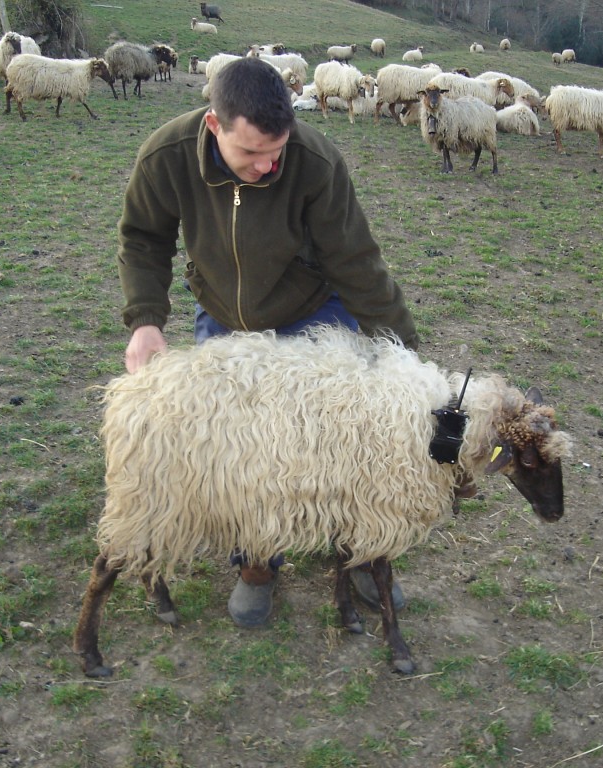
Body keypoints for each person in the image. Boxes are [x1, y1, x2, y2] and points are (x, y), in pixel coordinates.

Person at [115, 57, 418, 628]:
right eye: (250, 153)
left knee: (344, 439)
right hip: (225, 317)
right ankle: (256, 561)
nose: (266, 165)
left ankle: (364, 550)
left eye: (275, 151)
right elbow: (142, 240)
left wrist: (403, 353)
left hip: (310, 312)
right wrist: (146, 319)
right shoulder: (167, 155)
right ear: (215, 127)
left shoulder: (314, 161)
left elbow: (355, 262)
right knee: (240, 453)